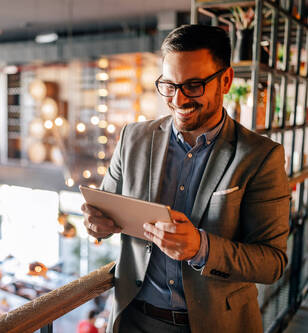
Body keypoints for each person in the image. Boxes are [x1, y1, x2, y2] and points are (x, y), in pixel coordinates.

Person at [81, 24, 290, 333]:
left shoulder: (261, 156)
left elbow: (272, 262)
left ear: (226, 80)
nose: (178, 100)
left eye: (193, 85)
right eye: (169, 85)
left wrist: (200, 248)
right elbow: (105, 213)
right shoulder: (132, 138)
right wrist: (95, 226)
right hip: (133, 320)